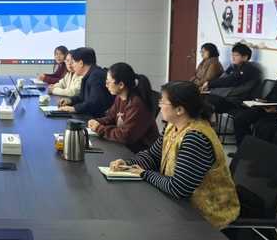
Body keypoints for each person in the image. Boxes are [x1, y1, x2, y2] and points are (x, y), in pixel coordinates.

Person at [110, 81, 240, 228]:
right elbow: (153, 155)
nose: (159, 105)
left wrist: (144, 173)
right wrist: (128, 164)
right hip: (181, 206)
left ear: (179, 110)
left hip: (206, 218)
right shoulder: (173, 126)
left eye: (162, 101)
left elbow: (178, 188)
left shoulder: (195, 138)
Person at [88, 62, 159, 153]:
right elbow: (111, 118)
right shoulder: (120, 98)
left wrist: (99, 128)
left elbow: (125, 135)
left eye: (108, 82)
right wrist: (98, 122)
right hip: (125, 147)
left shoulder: (136, 103)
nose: (106, 85)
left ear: (121, 85)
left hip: (139, 153)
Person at [230, 52, 277, 150]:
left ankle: (260, 155)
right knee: (240, 119)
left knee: (263, 127)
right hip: (268, 106)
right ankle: (244, 150)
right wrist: (264, 101)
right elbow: (273, 92)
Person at [201, 42, 259, 114]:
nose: (233, 57)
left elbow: (230, 81)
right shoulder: (236, 67)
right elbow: (222, 78)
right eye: (233, 55)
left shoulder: (248, 69)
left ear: (245, 57)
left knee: (203, 102)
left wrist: (209, 84)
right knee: (198, 98)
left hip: (232, 100)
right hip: (223, 96)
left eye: (236, 55)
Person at [56, 47, 114, 118]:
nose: (72, 65)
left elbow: (96, 101)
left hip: (99, 119)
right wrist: (70, 100)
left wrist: (74, 109)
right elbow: (83, 97)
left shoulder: (96, 75)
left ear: (81, 63)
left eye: (73, 62)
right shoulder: (89, 75)